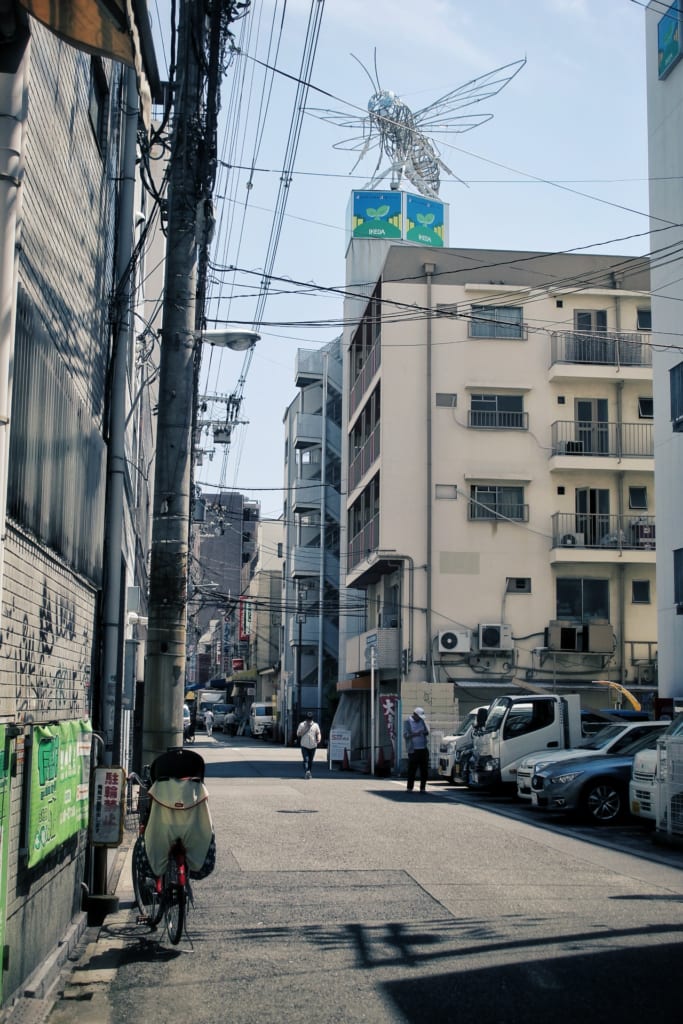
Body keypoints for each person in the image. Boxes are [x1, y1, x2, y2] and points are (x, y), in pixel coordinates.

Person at [403, 706, 430, 792]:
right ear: (415, 715)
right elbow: (405, 735)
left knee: (424, 770)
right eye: (419, 717)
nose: (420, 719)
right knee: (412, 770)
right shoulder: (407, 722)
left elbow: (427, 732)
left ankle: (423, 788)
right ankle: (409, 788)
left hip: (423, 749)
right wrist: (415, 734)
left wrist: (425, 732)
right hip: (413, 750)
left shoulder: (422, 721)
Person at [297, 711, 322, 778]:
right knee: (306, 759)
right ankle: (307, 771)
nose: (309, 720)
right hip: (304, 745)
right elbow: (298, 734)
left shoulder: (316, 725)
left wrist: (319, 739)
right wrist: (306, 727)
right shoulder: (302, 724)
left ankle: (309, 771)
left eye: (310, 719)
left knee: (311, 760)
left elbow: (318, 733)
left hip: (313, 745)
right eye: (308, 719)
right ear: (306, 718)